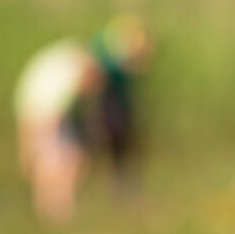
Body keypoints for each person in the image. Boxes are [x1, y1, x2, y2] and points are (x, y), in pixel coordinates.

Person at [13, 16, 151, 222]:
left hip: (48, 113)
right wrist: (28, 145)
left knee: (69, 160)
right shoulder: (64, 82)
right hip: (44, 115)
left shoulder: (72, 65)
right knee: (61, 161)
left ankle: (59, 210)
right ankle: (55, 210)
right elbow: (40, 116)